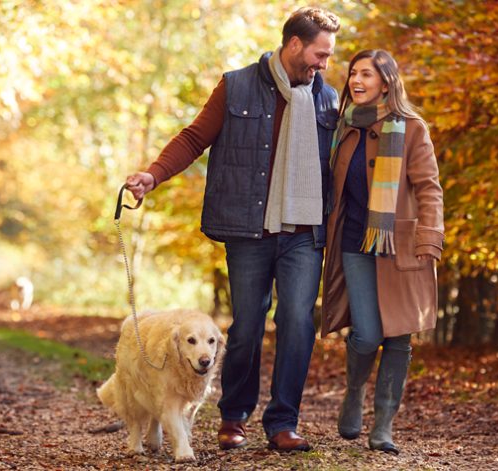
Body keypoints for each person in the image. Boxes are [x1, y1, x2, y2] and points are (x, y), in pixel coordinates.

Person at [124, 7, 340, 452]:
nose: (324, 64)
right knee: (246, 326)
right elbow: (193, 137)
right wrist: (153, 175)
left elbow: (347, 159)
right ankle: (234, 416)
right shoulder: (236, 85)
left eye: (329, 57)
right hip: (249, 228)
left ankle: (283, 422)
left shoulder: (328, 99)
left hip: (304, 231)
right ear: (294, 45)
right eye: (320, 54)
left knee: (298, 321)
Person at [321, 49, 444, 454]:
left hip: (401, 247)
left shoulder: (411, 129)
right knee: (367, 333)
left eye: (367, 75)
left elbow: (428, 188)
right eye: (353, 73)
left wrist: (430, 236)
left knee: (398, 339)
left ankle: (384, 427)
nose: (356, 80)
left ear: (386, 82)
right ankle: (354, 392)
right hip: (356, 242)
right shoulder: (342, 128)